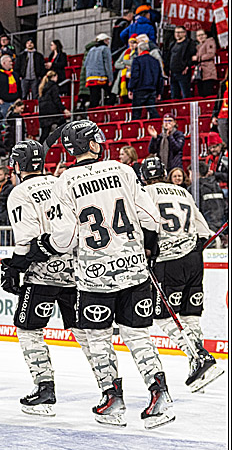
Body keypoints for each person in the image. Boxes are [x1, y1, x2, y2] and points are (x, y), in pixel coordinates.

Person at [29, 120, 173, 429]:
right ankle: (159, 396)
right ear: (90, 144)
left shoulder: (64, 181)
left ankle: (112, 399)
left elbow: (64, 240)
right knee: (138, 336)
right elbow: (151, 218)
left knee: (98, 339)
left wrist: (43, 245)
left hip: (94, 277)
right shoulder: (122, 169)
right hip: (134, 271)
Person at [0, 141, 93, 416]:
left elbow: (26, 241)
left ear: (17, 165)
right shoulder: (60, 182)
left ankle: (45, 389)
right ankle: (110, 390)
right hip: (75, 270)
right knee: (86, 331)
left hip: (41, 274)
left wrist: (13, 268)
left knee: (29, 329)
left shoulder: (20, 192)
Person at [141, 156, 224, 391]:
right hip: (194, 259)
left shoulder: (147, 192)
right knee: (190, 315)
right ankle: (199, 367)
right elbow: (203, 230)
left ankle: (199, 357)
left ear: (144, 177)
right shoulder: (183, 192)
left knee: (164, 316)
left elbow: (147, 225)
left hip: (169, 261)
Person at [129, 41, 161, 119]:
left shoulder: (137, 60)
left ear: (139, 49)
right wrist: (159, 91)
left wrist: (130, 88)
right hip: (152, 89)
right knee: (152, 111)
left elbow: (135, 76)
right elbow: (160, 77)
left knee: (136, 114)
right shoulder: (155, 61)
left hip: (139, 89)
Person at [167, 27, 196, 101]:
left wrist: (187, 66)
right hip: (173, 72)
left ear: (184, 33)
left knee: (185, 94)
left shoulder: (189, 43)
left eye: (179, 32)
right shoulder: (172, 44)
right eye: (176, 32)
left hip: (183, 72)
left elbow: (192, 57)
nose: (177, 34)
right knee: (174, 95)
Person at [192, 30, 218, 97]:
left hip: (208, 71)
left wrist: (197, 58)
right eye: (198, 35)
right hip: (200, 74)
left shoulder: (210, 42)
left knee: (207, 93)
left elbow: (211, 54)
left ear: (206, 35)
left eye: (202, 35)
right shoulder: (198, 46)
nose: (200, 37)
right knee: (201, 94)